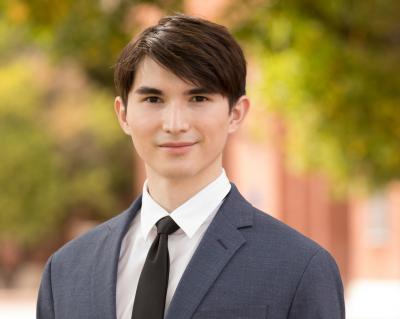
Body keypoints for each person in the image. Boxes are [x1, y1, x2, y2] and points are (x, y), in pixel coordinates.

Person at [37, 14, 345, 319]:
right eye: (154, 99)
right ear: (123, 114)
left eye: (198, 98)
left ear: (236, 113)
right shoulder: (65, 271)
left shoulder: (299, 268)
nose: (175, 124)